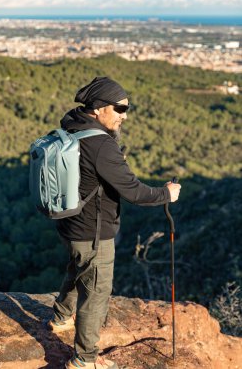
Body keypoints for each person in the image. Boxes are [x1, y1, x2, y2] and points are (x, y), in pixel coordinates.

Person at [48, 77, 181, 369]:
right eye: (119, 108)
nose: (124, 115)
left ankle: (60, 317)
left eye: (126, 108)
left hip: (69, 224)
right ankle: (84, 359)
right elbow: (132, 190)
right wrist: (166, 194)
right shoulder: (101, 146)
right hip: (93, 231)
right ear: (97, 109)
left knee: (78, 268)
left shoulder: (71, 126)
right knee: (95, 293)